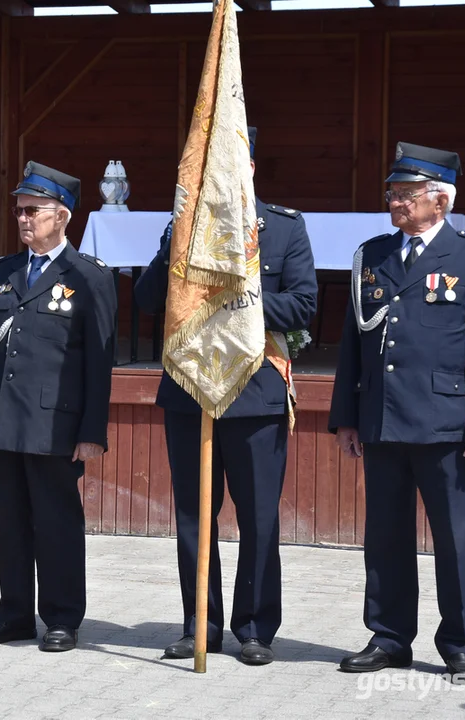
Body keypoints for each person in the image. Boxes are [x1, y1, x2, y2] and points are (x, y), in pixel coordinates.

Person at [135, 127, 317, 665]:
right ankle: (201, 623)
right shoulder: (184, 227)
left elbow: (303, 304)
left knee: (259, 515)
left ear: (251, 168)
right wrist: (175, 244)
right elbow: (147, 299)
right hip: (190, 390)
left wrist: (238, 299)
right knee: (194, 515)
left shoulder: (282, 229)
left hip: (255, 389)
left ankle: (256, 627)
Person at [329, 142, 465, 683]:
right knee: (384, 535)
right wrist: (347, 416)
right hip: (382, 417)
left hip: (445, 423)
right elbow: (351, 342)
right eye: (393, 194)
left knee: (454, 540)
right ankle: (388, 637)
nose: (396, 203)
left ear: (441, 201)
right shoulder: (375, 254)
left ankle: (460, 644)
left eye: (407, 195)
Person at [0, 161, 117, 653]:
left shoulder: (88, 276)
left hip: (55, 424)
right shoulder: (3, 272)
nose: (24, 219)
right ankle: (13, 615)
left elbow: (99, 360)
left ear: (63, 216)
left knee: (56, 524)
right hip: (4, 420)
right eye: (19, 211)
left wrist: (92, 430)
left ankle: (61, 617)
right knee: (9, 524)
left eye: (33, 210)